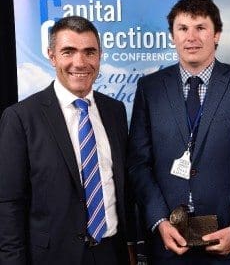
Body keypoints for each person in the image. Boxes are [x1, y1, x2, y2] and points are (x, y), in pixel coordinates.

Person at [127, 0, 230, 264]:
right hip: (169, 241)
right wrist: (158, 221)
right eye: (183, 29)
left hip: (226, 239)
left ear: (217, 35)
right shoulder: (150, 88)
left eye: (201, 28)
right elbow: (139, 164)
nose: (191, 37)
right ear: (172, 36)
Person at [0, 16, 135, 265]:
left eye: (89, 52)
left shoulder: (115, 111)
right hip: (53, 257)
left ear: (100, 56)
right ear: (52, 56)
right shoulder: (20, 118)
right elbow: (9, 204)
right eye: (68, 51)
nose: (80, 62)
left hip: (110, 253)